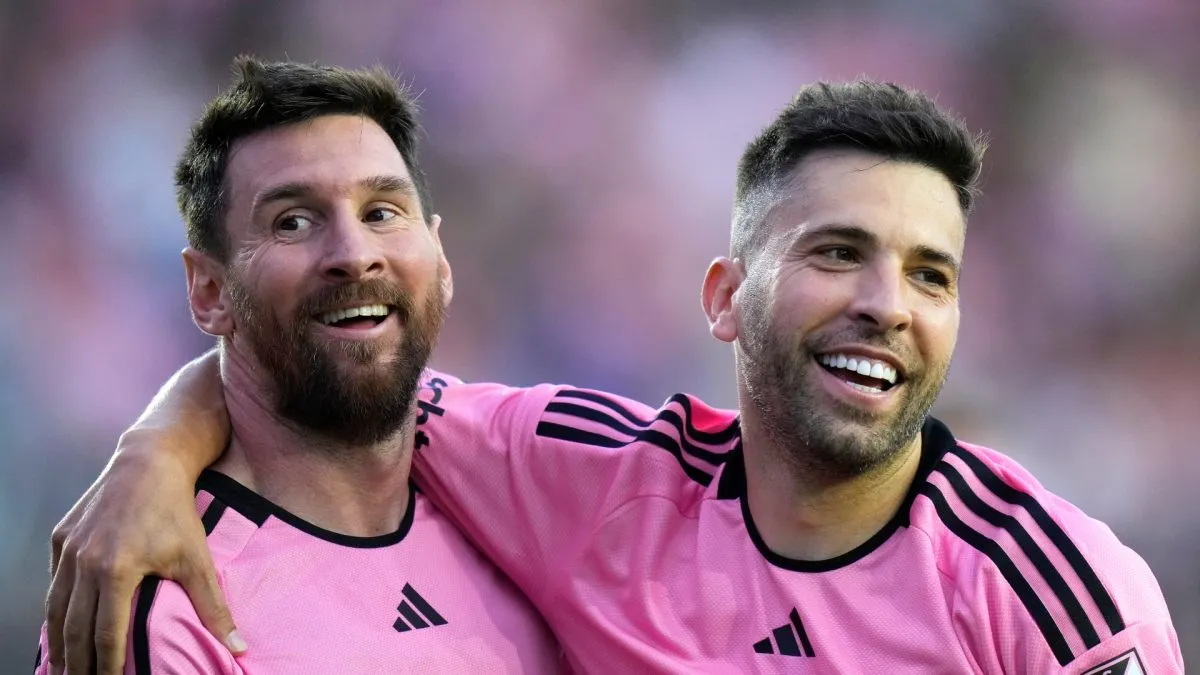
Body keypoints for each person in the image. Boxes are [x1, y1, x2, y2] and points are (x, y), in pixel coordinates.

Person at [45, 80, 1183, 674]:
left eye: (930, 274)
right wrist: (155, 452)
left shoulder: (1045, 591)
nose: (887, 303)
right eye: (838, 254)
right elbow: (343, 368)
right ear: (725, 299)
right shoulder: (586, 484)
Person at [34, 57, 565, 674]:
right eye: (293, 222)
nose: (353, 254)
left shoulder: (538, 499)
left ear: (440, 256)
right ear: (210, 292)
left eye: (382, 212)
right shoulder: (164, 615)